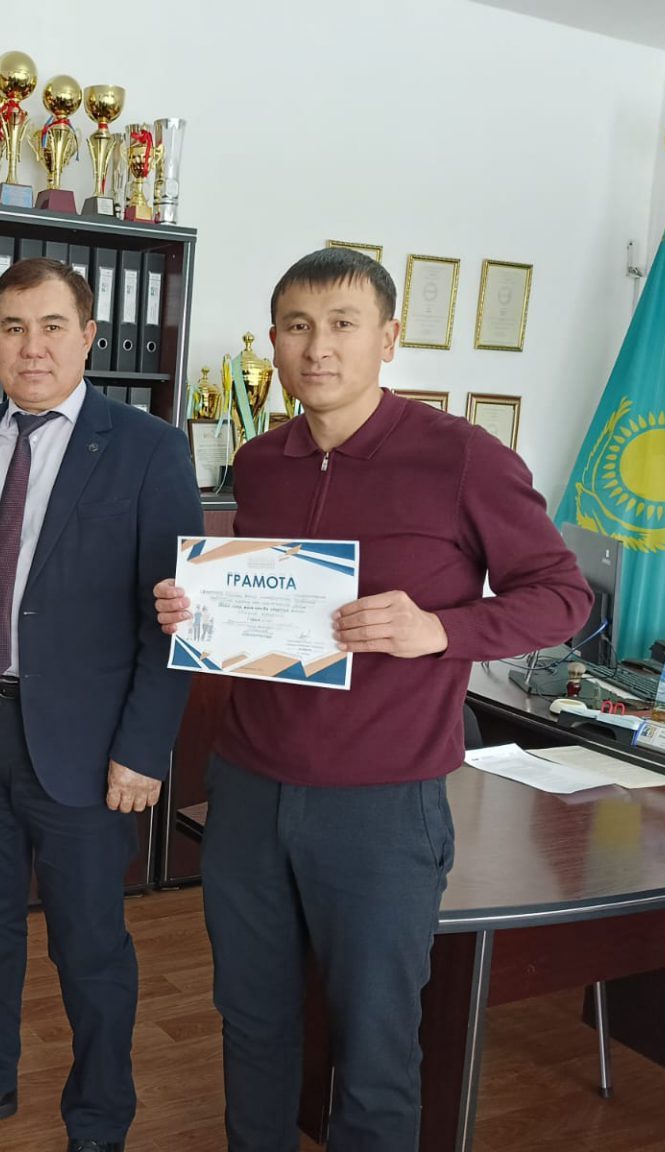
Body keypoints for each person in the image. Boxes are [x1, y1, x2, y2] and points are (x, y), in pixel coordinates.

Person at [153, 247, 593, 1152]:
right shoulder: (260, 461)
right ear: (274, 340)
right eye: (298, 327)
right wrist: (192, 609)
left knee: (376, 1044)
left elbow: (564, 596)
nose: (318, 347)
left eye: (342, 325)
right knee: (252, 1017)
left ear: (388, 338)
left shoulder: (463, 458)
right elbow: (261, 606)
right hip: (248, 789)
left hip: (382, 809)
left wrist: (440, 629)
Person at [0, 258, 203, 1152]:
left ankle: (100, 1115)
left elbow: (176, 617)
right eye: (14, 327)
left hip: (87, 746)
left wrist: (145, 747)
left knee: (90, 944)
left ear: (90, 336)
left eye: (53, 325)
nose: (33, 346)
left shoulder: (148, 448)